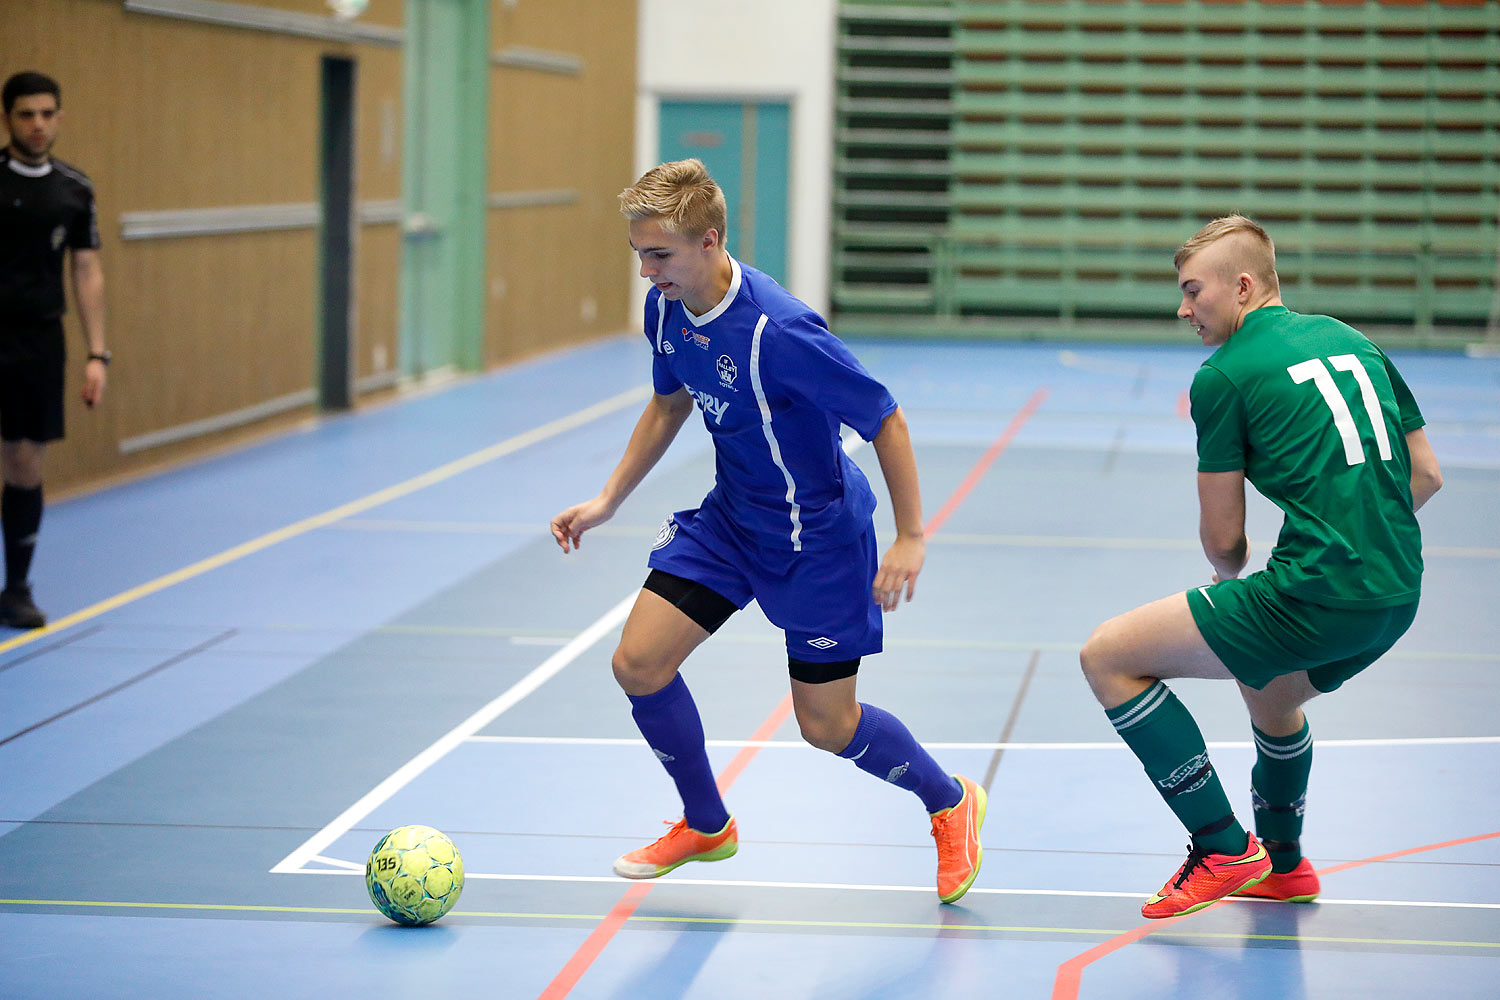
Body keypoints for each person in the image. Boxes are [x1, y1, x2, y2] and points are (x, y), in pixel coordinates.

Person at [550, 159, 985, 903]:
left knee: (827, 724)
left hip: (816, 544)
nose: (648, 272)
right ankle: (706, 823)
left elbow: (885, 417)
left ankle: (949, 801)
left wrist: (913, 534)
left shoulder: (781, 331)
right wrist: (608, 499)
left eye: (660, 255)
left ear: (710, 241)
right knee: (639, 664)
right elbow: (667, 404)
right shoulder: (668, 307)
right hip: (731, 521)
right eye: (639, 256)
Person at [1079, 215, 1443, 918]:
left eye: (1193, 291)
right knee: (1271, 695)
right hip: (1398, 591)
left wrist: (1233, 579)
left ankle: (1220, 846)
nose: (1182, 309)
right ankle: (1283, 863)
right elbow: (1424, 474)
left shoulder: (1223, 377)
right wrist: (1355, 535)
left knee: (1108, 657)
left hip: (1317, 594)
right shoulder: (1353, 340)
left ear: (1242, 287)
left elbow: (1225, 544)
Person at [0, 71, 110, 629]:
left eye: (47, 114)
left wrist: (98, 353)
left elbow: (86, 270)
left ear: (59, 117)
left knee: (24, 460)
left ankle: (16, 588)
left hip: (40, 340)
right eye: (26, 114)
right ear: (8, 119)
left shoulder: (75, 189)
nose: (38, 125)